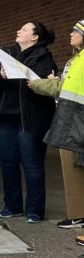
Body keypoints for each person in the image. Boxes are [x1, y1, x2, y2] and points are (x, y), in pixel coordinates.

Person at [0, 21, 57, 223]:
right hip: (5, 119)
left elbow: (43, 81)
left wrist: (20, 73)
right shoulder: (7, 53)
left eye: (25, 29)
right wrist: (0, 74)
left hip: (30, 120)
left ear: (35, 37)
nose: (19, 31)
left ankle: (35, 210)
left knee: (32, 165)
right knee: (8, 164)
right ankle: (12, 206)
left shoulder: (44, 57)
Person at [28, 19, 84, 236]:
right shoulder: (77, 59)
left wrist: (38, 84)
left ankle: (78, 214)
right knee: (74, 169)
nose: (70, 34)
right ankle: (78, 214)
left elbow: (64, 88)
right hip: (72, 120)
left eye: (76, 31)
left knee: (76, 170)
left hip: (76, 121)